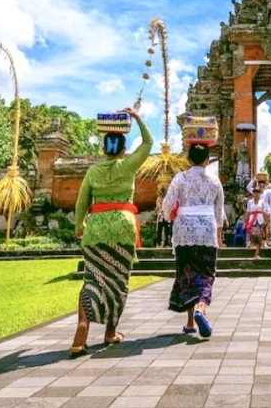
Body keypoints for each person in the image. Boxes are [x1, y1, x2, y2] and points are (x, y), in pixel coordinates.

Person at [70, 107, 152, 355]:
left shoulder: (93, 171)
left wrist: (78, 226)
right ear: (124, 149)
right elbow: (148, 143)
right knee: (117, 281)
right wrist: (137, 118)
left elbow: (81, 203)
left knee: (92, 279)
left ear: (104, 149)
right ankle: (109, 332)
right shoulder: (128, 166)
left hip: (95, 229)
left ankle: (82, 327)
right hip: (123, 228)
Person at [162, 143, 225, 338]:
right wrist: (219, 238)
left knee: (188, 273)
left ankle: (190, 322)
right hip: (207, 230)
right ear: (207, 160)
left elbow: (167, 204)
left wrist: (169, 217)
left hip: (184, 230)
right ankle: (200, 309)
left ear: (188, 160)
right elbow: (219, 212)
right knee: (206, 274)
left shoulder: (179, 178)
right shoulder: (214, 181)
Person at [244, 186, 269, 259]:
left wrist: (266, 221)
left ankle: (257, 253)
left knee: (259, 236)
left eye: (257, 193)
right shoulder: (250, 202)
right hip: (252, 220)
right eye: (255, 193)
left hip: (260, 219)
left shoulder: (262, 202)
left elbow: (264, 212)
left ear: (260, 193)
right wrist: (245, 221)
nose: (256, 194)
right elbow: (248, 212)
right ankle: (251, 242)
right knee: (253, 234)